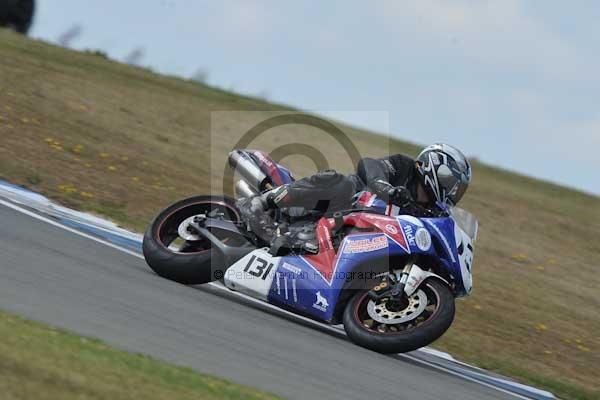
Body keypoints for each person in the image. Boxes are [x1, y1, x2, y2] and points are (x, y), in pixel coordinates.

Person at [247, 143, 472, 217]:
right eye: (451, 182)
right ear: (434, 167)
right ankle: (266, 200)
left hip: (362, 235)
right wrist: (385, 188)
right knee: (338, 182)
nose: (452, 191)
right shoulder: (405, 166)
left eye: (457, 188)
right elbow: (369, 164)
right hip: (340, 205)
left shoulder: (431, 211)